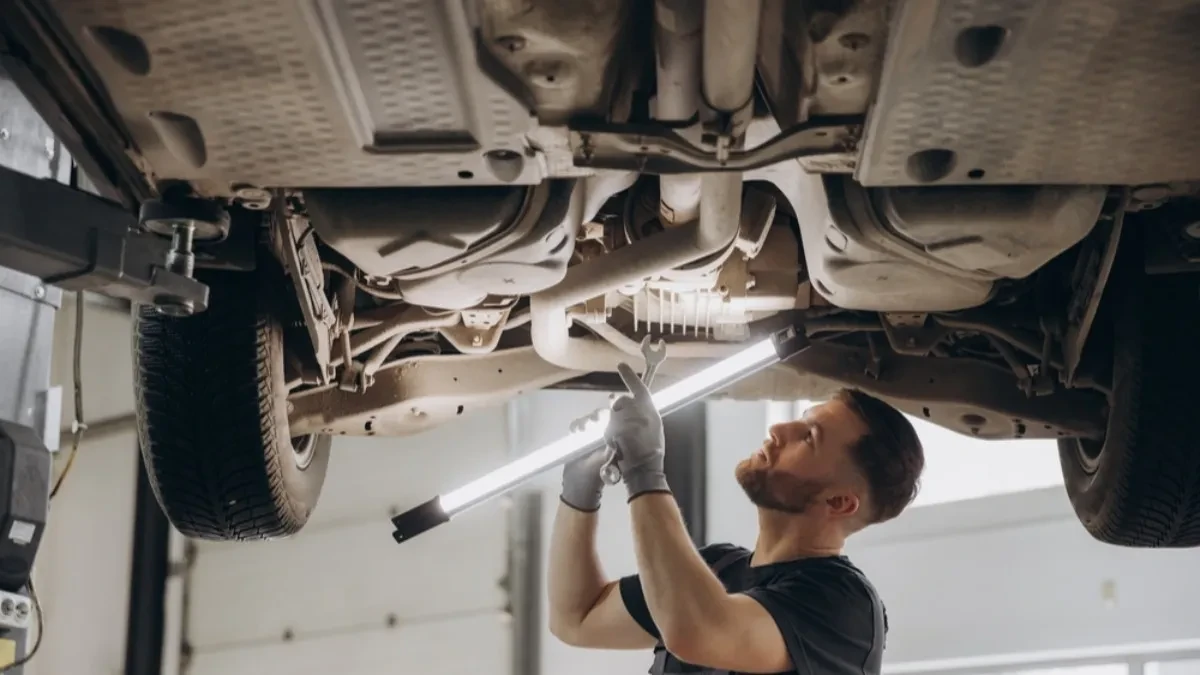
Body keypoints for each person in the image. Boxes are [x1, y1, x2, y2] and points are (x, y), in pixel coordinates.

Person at [547, 363, 925, 675]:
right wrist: (580, 490)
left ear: (840, 502)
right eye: (801, 420)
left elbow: (697, 631)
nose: (779, 430)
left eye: (808, 437)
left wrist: (645, 472)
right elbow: (576, 617)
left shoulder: (844, 607)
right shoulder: (718, 570)